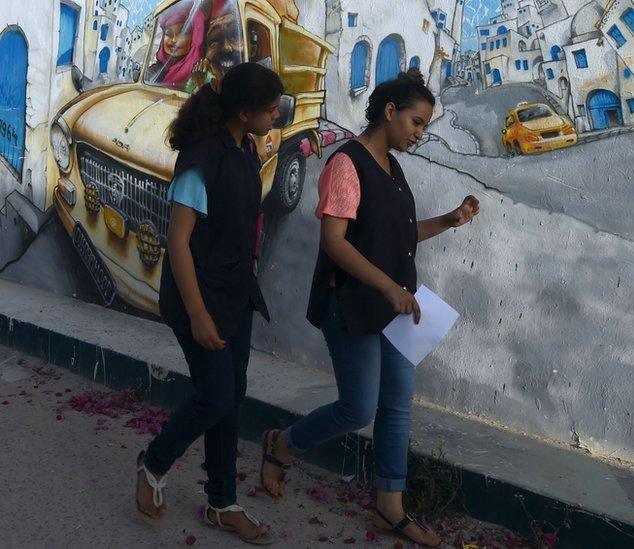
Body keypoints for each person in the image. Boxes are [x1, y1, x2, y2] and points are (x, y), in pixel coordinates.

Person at [259, 68, 480, 548]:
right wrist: (389, 289)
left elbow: (396, 237)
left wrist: (448, 220)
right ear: (390, 111)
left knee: (397, 406)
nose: (420, 135)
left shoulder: (392, 168)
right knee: (358, 407)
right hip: (354, 305)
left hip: (397, 307)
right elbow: (335, 243)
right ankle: (283, 443)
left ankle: (389, 507)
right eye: (417, 123)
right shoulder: (347, 164)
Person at [135, 62, 282, 546]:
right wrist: (197, 314)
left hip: (234, 297)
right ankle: (153, 463)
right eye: (269, 110)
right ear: (244, 113)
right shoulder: (201, 159)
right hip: (199, 301)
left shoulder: (242, 148)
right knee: (215, 396)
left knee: (230, 399)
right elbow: (178, 242)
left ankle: (222, 503)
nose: (276, 116)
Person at [145, 2, 206, 88]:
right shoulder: (155, 71)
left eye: (182, 34)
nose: (174, 40)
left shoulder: (201, 72)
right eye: (168, 33)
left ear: (194, 38)